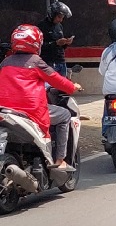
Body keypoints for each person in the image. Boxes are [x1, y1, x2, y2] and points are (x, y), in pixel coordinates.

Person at [0, 25, 82, 170]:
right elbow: (57, 80)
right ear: (37, 43)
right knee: (65, 115)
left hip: (6, 110)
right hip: (31, 111)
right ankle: (60, 160)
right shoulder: (36, 62)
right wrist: (72, 86)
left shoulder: (5, 63)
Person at [37, 1, 74, 77]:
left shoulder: (59, 26)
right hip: (48, 62)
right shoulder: (41, 26)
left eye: (62, 18)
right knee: (48, 86)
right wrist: (55, 43)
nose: (60, 20)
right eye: (59, 17)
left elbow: (61, 45)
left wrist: (66, 43)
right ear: (52, 15)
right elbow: (39, 46)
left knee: (62, 86)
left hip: (61, 61)